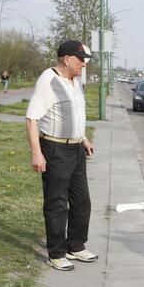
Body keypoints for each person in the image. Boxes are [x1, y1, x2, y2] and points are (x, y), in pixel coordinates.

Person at [25, 40, 98, 271]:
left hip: (76, 149)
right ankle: (56, 253)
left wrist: (83, 138)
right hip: (55, 149)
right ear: (67, 59)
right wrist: (37, 153)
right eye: (81, 59)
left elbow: (74, 113)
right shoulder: (48, 81)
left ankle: (75, 246)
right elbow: (31, 119)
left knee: (82, 201)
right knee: (57, 203)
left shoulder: (75, 81)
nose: (84, 64)